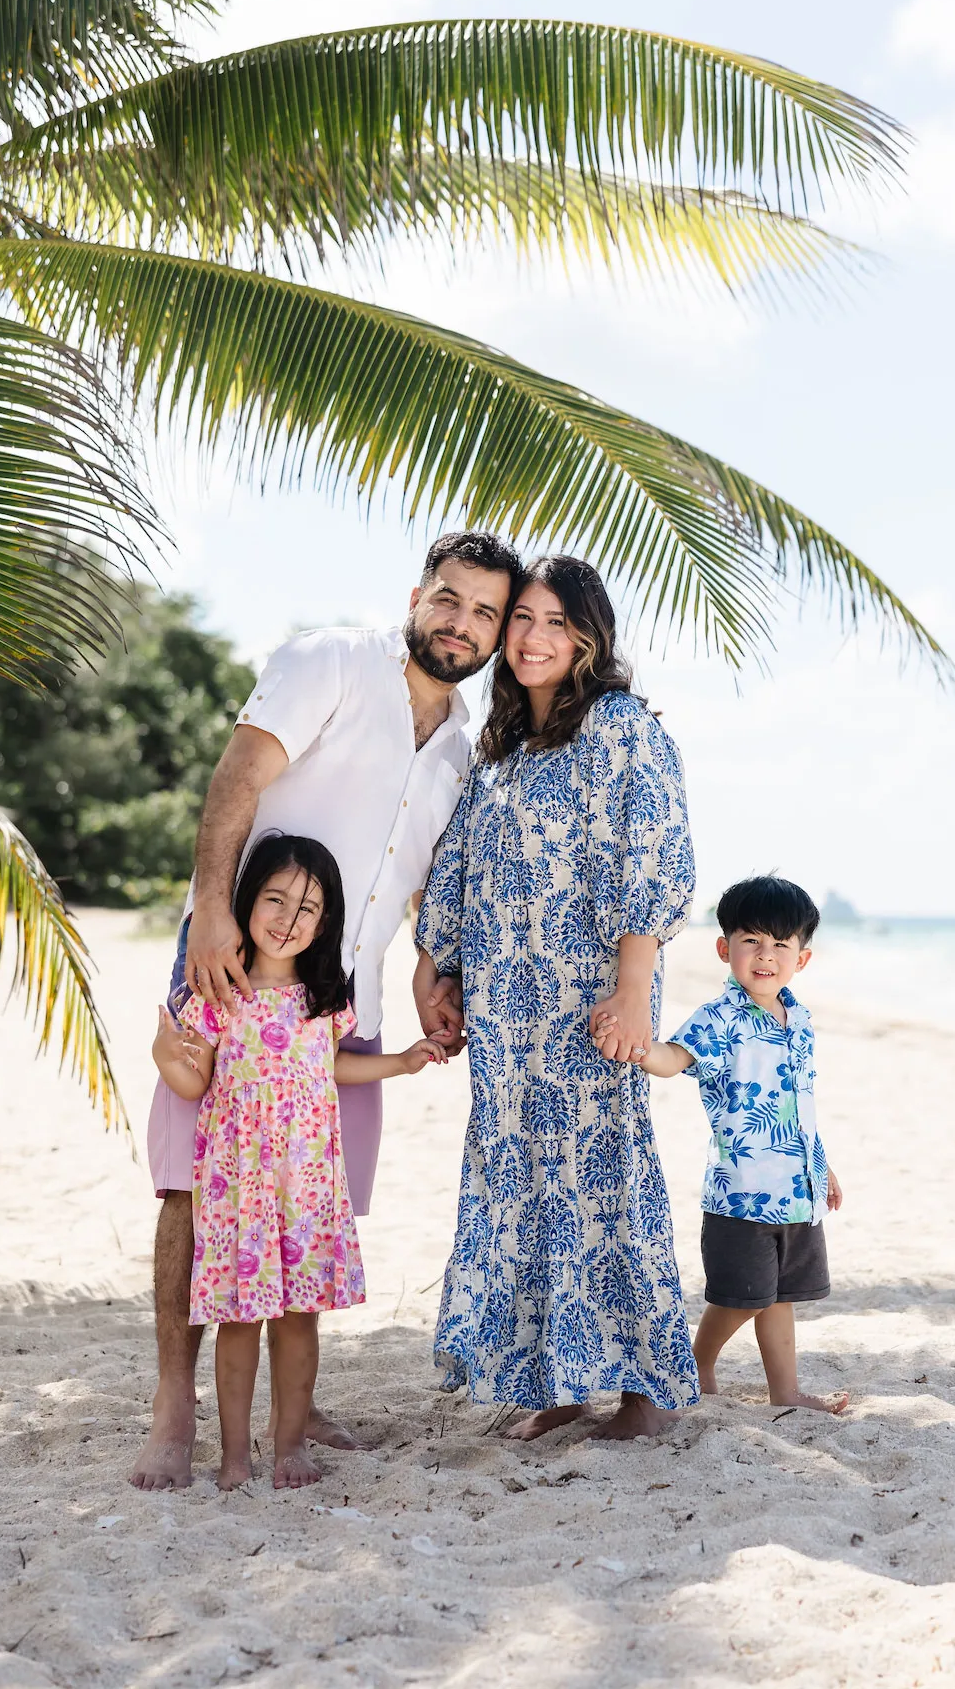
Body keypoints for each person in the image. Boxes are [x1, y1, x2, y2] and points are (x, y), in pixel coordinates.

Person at [131, 530, 520, 1490]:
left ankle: (296, 1408)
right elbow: (238, 779)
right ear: (418, 594)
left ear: (501, 633)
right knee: (193, 1190)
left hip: (351, 1001)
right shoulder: (331, 663)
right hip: (237, 967)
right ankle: (175, 1405)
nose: (461, 624)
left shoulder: (464, 752)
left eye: (484, 613)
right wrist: (215, 909)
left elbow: (425, 885)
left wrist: (437, 978)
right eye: (449, 599)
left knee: (315, 1202)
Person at [414, 555, 700, 1441]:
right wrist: (437, 966)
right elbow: (458, 863)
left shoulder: (619, 727)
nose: (534, 638)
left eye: (556, 623)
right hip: (506, 1011)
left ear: (588, 639)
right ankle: (559, 1381)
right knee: (523, 1187)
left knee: (606, 1182)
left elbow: (652, 856)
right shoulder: (500, 746)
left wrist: (633, 991)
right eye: (523, 620)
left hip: (586, 1008)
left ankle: (648, 1392)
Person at [152, 834, 445, 1490]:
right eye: (274, 900)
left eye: (307, 909)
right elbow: (193, 1083)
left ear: (326, 921)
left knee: (298, 1322)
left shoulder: (326, 998)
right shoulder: (219, 992)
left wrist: (399, 1061)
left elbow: (329, 1065)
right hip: (238, 1192)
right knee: (238, 1322)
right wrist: (164, 1053)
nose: (288, 919)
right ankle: (234, 1457)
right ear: (245, 902)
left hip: (306, 1189)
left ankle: (288, 1447)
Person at [600, 875, 848, 1414]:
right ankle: (697, 1361)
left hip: (796, 1190)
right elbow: (675, 1059)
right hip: (742, 1191)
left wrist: (822, 1166)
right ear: (724, 948)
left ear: (801, 958)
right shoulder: (721, 1017)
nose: (766, 955)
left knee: (781, 1297)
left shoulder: (800, 1020)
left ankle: (785, 1392)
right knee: (739, 1297)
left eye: (781, 944)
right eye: (752, 940)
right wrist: (639, 1050)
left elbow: (800, 1102)